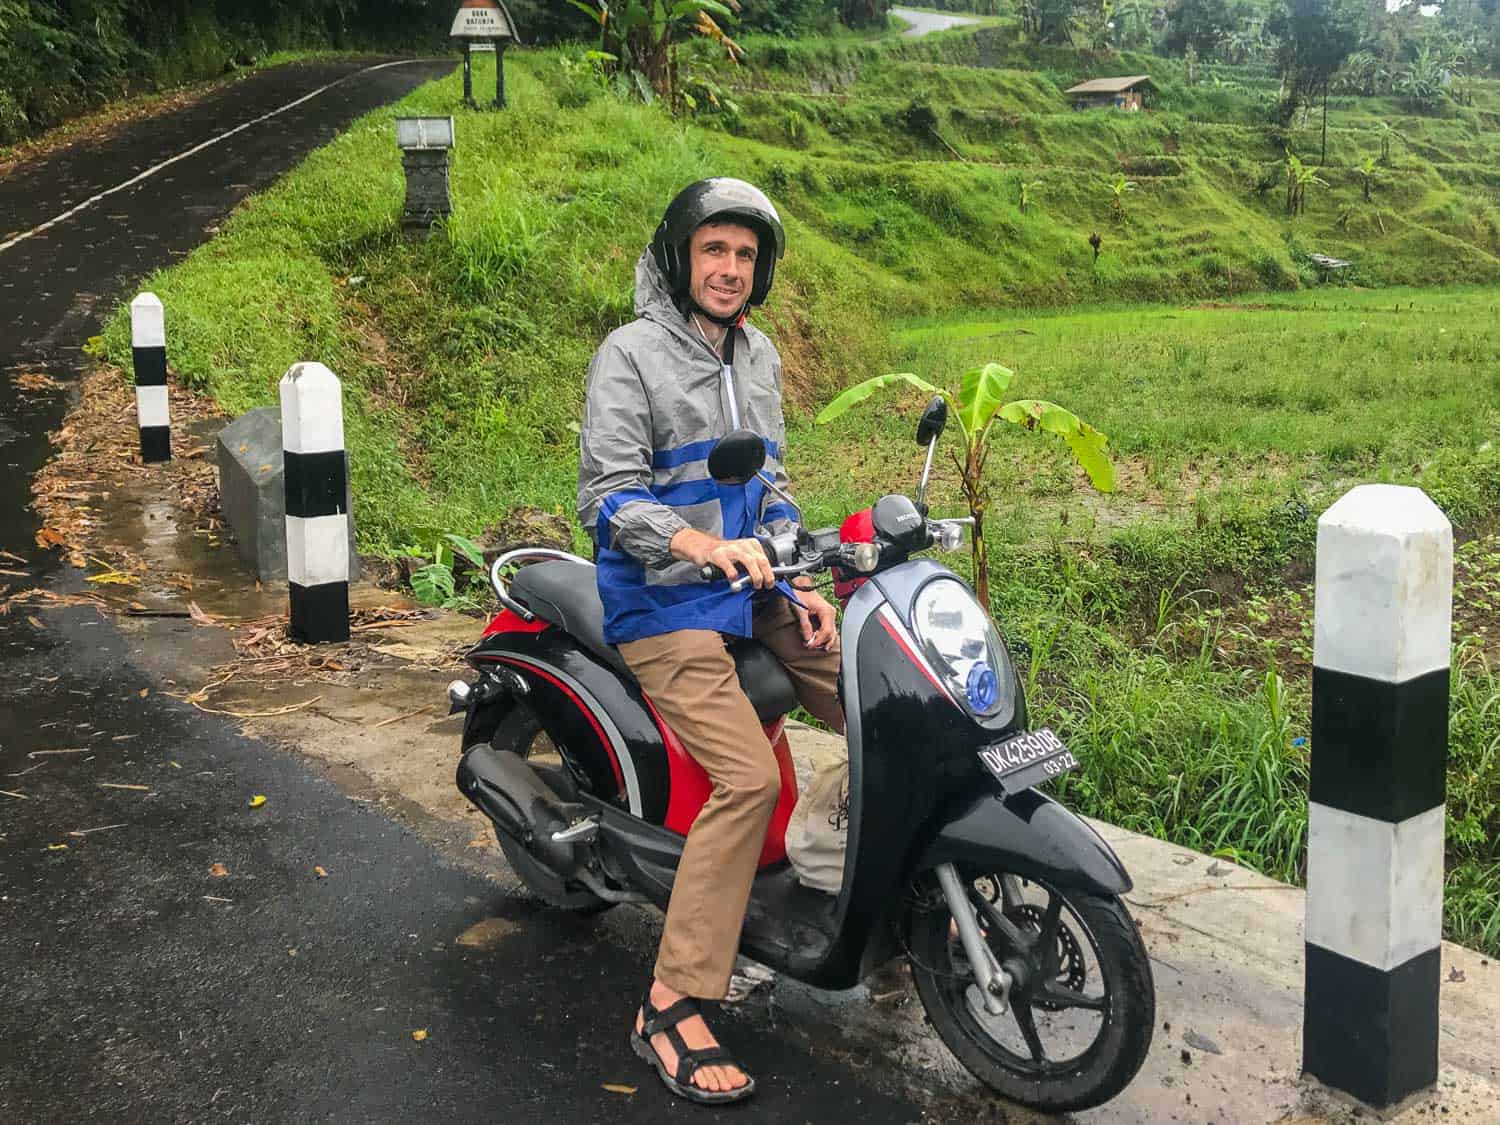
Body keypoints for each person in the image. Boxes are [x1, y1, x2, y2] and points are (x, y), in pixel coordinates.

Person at [577, 178, 845, 1105]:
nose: (730, 270)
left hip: (752, 586)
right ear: (681, 258)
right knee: (751, 778)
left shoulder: (758, 354)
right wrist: (696, 543)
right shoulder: (631, 355)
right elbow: (608, 496)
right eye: (713, 252)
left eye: (744, 255)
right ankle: (670, 1000)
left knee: (880, 693)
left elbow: (771, 488)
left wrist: (800, 580)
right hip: (663, 603)